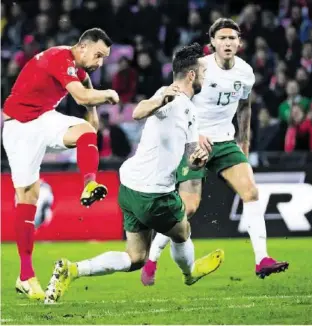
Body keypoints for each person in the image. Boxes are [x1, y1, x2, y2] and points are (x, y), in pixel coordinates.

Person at [44, 43, 224, 304]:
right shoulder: (169, 95)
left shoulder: (189, 110)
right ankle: (190, 273)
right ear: (192, 75)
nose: (206, 78)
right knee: (182, 231)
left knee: (135, 257)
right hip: (153, 194)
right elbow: (139, 111)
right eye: (204, 73)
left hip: (129, 187)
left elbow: (190, 156)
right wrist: (160, 99)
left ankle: (72, 270)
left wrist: (198, 157)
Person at [142, 18, 289, 286]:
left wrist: (244, 142)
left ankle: (262, 259)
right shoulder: (199, 69)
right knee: (188, 207)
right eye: (222, 38)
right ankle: (152, 258)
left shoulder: (245, 73)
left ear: (239, 42)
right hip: (193, 142)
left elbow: (245, 107)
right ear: (212, 43)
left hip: (225, 141)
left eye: (232, 38)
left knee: (252, 192)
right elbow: (178, 100)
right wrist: (190, 133)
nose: (228, 43)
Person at [2, 28, 120, 300]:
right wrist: (108, 95)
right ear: (82, 47)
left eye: (104, 58)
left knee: (84, 132)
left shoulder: (79, 69)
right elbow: (81, 96)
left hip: (44, 118)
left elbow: (87, 94)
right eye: (98, 55)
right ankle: (25, 275)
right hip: (19, 127)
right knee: (27, 197)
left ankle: (90, 184)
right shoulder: (60, 57)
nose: (100, 62)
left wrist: (91, 121)